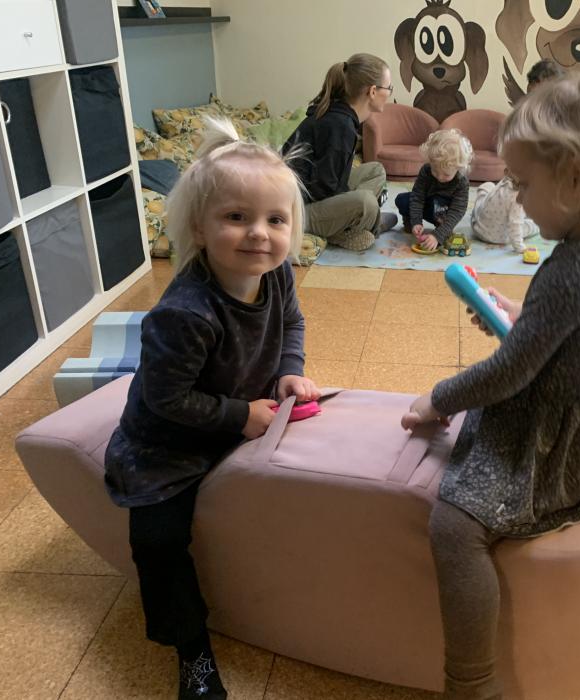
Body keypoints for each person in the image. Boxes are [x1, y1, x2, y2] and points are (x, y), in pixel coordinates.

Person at [400, 69, 580, 699]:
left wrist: (437, 399)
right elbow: (578, 330)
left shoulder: (573, 269)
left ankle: (472, 684)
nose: (517, 199)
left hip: (564, 438)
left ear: (574, 179)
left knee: (453, 530)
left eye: (523, 184)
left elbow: (509, 373)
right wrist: (525, 318)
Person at [104, 117, 320, 699]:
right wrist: (239, 417)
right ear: (199, 229)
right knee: (157, 542)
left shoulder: (275, 276)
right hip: (166, 442)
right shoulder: (185, 312)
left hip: (241, 411)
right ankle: (192, 651)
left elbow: (292, 324)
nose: (259, 235)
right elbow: (166, 399)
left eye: (275, 220)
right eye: (237, 217)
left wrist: (289, 369)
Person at [282, 53, 398, 251]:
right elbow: (322, 190)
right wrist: (352, 204)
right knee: (366, 203)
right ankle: (360, 227)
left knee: (375, 171)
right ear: (372, 91)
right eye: (389, 88)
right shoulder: (340, 125)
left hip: (314, 196)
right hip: (296, 213)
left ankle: (351, 225)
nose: (389, 93)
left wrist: (345, 199)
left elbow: (330, 179)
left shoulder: (342, 116)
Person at [395, 129, 472, 251]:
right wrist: (416, 221)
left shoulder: (461, 181)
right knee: (402, 199)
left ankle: (443, 230)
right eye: (435, 171)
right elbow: (417, 197)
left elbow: (457, 211)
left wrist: (438, 235)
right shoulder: (426, 170)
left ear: (458, 168)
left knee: (445, 227)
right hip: (429, 204)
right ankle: (410, 222)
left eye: (446, 174)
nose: (440, 177)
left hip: (445, 212)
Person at [470, 168, 537, 252]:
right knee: (533, 225)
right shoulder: (518, 199)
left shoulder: (506, 180)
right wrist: (520, 247)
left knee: (487, 186)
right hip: (498, 237)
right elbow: (515, 226)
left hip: (478, 227)